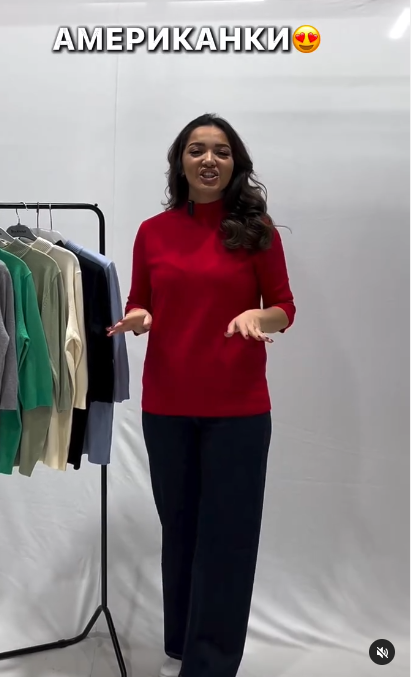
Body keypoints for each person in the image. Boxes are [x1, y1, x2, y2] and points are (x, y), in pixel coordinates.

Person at [107, 113, 296, 677]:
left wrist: (257, 316)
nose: (209, 159)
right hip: (167, 407)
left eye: (220, 151)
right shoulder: (153, 231)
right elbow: (140, 299)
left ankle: (210, 664)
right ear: (180, 162)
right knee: (182, 531)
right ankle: (183, 643)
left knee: (228, 538)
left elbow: (284, 307)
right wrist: (139, 317)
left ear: (235, 163)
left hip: (238, 411)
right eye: (196, 149)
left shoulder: (256, 230)